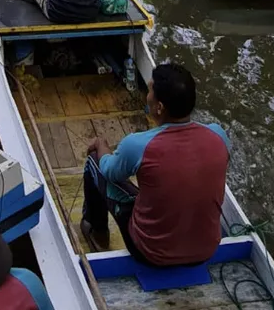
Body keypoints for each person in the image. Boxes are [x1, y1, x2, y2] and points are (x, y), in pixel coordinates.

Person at [80, 62, 230, 267]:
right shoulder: (218, 135)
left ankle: (97, 234)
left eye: (150, 90)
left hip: (151, 254)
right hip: (207, 250)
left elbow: (110, 172)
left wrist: (101, 145)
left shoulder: (137, 144)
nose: (147, 95)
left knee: (94, 163)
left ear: (159, 107)